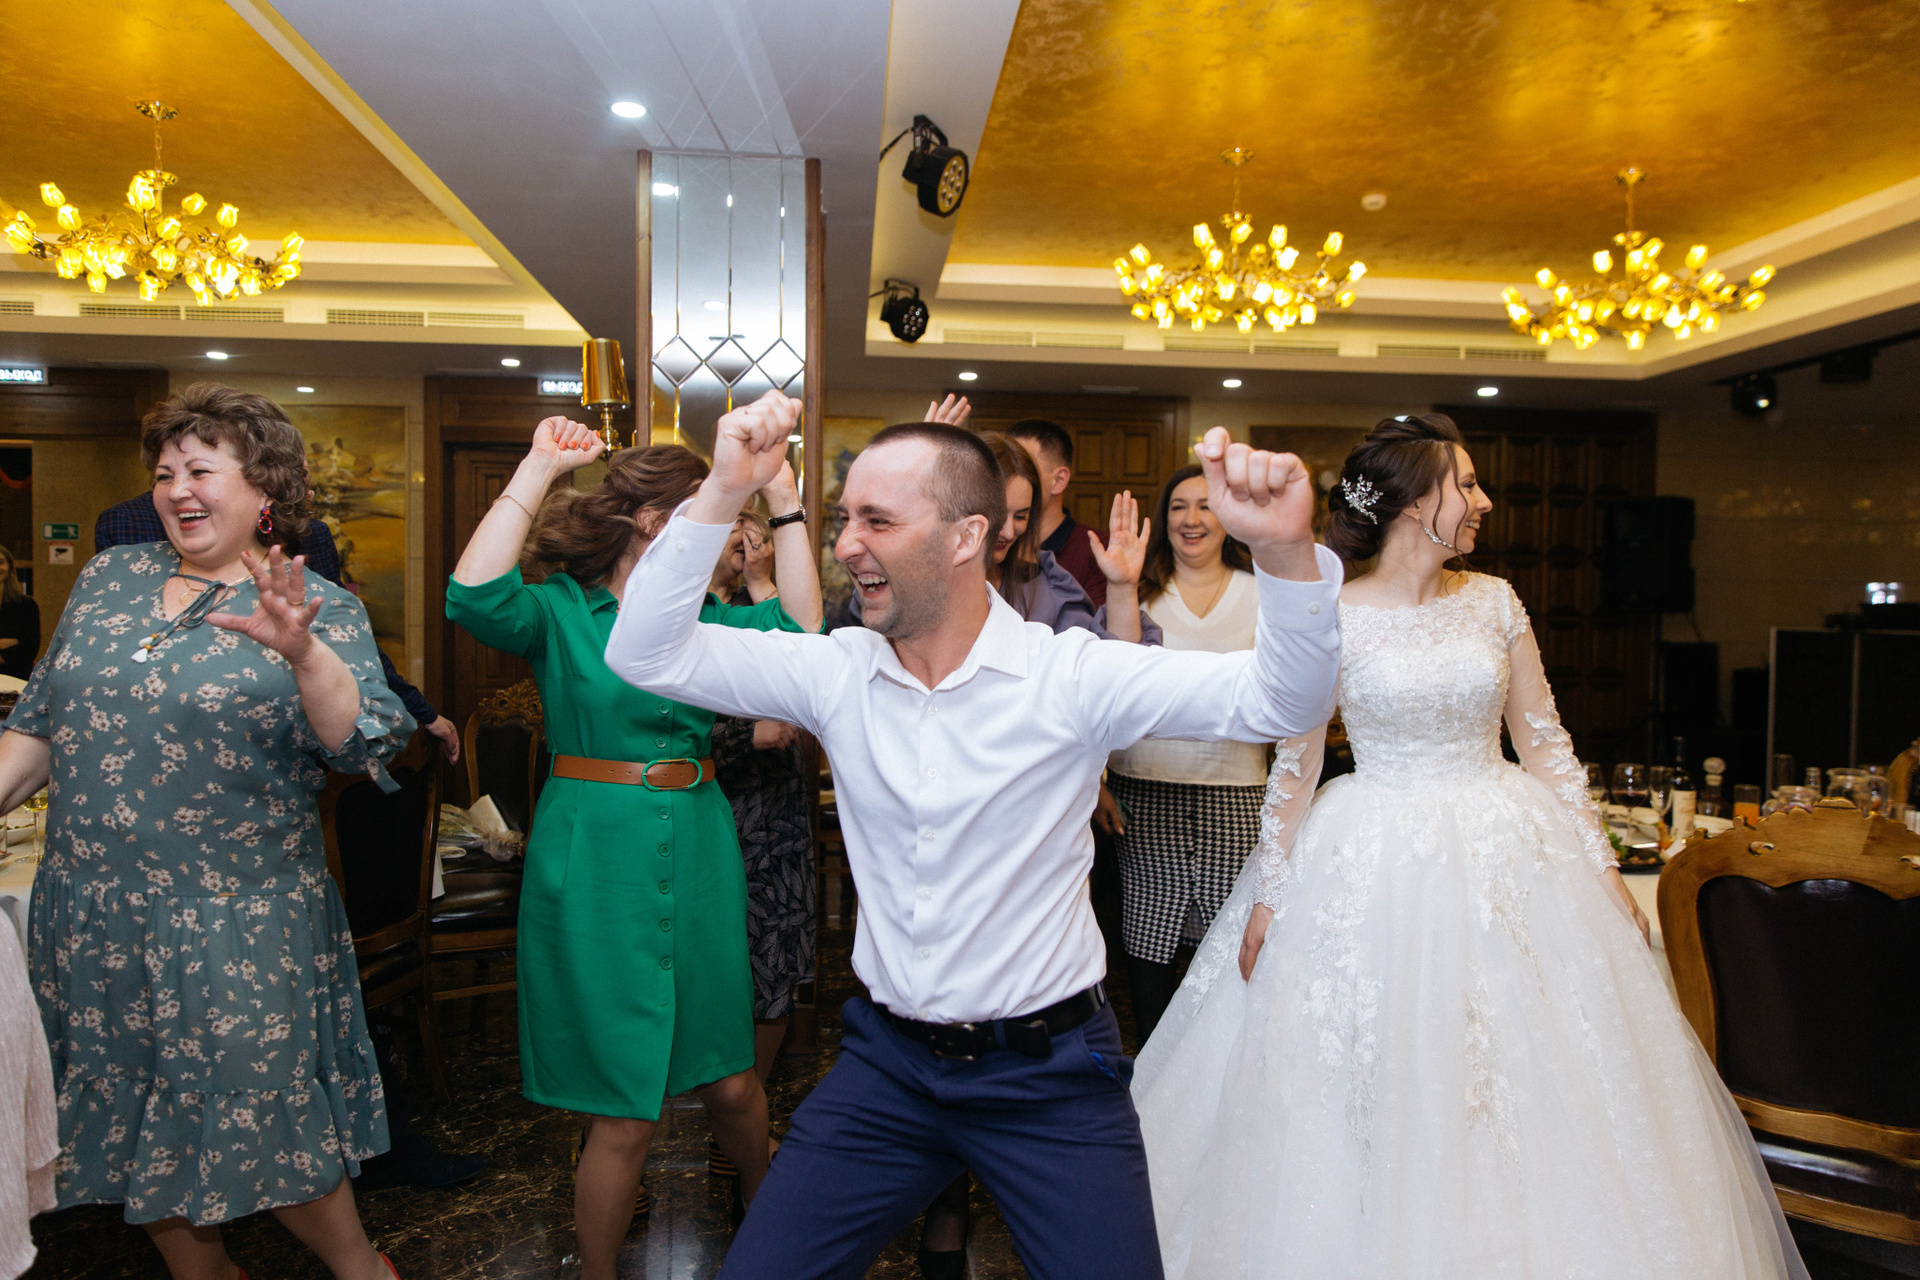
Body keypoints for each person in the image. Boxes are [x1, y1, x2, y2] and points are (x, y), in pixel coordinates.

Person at [602, 391, 1342, 1280]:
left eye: (877, 521)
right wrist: (723, 489)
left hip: (1051, 1079)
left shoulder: (1069, 676)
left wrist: (1286, 554)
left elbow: (1284, 701)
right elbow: (642, 653)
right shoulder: (837, 671)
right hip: (886, 1072)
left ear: (966, 537)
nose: (846, 545)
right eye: (846, 520)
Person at [1131, 414, 1809, 1280]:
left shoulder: (1494, 601)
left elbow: (1545, 742)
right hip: (1368, 853)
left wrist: (1601, 865)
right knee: (1369, 1069)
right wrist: (1270, 888)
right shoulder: (1330, 612)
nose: (1484, 502)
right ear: (1417, 502)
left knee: (1519, 1068)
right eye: (1468, 484)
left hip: (1504, 849)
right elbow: (1296, 764)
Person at [2, 383, 414, 1280]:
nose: (177, 490)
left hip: (236, 918)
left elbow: (363, 745)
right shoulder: (109, 578)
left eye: (199, 470)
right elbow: (39, 726)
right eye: (164, 474)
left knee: (261, 1114)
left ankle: (362, 1272)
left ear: (264, 488)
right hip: (96, 914)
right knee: (132, 1116)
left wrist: (304, 653)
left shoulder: (317, 604)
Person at [444, 417, 820, 1280]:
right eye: (713, 509)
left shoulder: (706, 617)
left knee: (732, 1081)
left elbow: (803, 636)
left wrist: (784, 496)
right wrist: (539, 466)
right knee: (623, 1110)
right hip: (593, 854)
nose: (730, 534)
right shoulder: (560, 610)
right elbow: (471, 595)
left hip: (700, 841)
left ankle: (770, 1228)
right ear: (655, 521)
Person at [95, 491, 461, 764]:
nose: (307, 490)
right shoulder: (119, 544)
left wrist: (419, 709)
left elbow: (342, 640)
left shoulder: (313, 540)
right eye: (166, 474)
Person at [1107, 464, 1266, 1041]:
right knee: (1148, 942)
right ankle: (1152, 1068)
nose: (1191, 519)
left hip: (1237, 792)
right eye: (1178, 506)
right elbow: (1112, 679)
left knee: (1224, 943)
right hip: (1144, 789)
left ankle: (1213, 1069)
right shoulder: (1137, 590)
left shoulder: (1262, 591)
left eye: (1206, 505)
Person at [706, 510, 814, 1088]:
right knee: (718, 953)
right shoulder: (685, 614)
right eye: (733, 528)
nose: (746, 541)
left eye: (755, 533)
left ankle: (750, 1094)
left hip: (775, 809)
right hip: (715, 803)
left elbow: (803, 653)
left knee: (777, 948)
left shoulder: (765, 605)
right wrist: (745, 735)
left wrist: (761, 581)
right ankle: (721, 1090)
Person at [1005, 418, 1108, 609]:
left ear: (1059, 480)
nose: (1011, 477)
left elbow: (1106, 627)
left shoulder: (1099, 550)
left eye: (1025, 467)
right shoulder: (998, 541)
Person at [0, 548, 38, 682]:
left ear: (10, 568)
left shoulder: (26, 605)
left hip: (16, 680)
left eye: (1, 562)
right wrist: (9, 642)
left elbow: (29, 649)